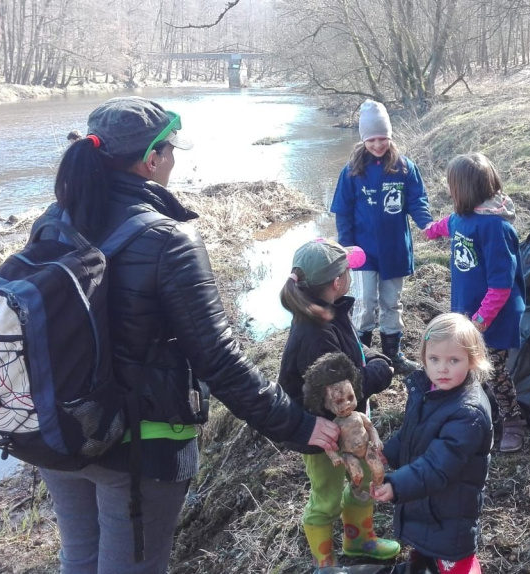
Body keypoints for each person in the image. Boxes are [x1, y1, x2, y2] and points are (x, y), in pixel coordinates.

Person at [34, 96, 340, 574]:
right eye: (171, 149)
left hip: (61, 429)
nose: (174, 159)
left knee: (79, 560)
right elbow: (219, 360)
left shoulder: (53, 222)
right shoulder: (168, 240)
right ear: (152, 159)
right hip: (142, 447)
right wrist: (298, 426)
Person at [278, 238, 401, 569]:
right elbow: (342, 392)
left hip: (351, 427)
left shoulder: (329, 310)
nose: (351, 275)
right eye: (348, 270)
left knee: (364, 481)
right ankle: (326, 564)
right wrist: (380, 371)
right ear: (336, 281)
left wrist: (372, 356)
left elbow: (352, 350)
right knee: (327, 499)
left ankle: (359, 541)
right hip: (324, 436)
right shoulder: (315, 333)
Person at [372, 313, 494, 574]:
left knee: (452, 557)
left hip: (451, 509)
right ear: (424, 357)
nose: (442, 369)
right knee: (426, 548)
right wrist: (389, 453)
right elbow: (411, 432)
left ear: (472, 360)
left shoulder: (468, 413)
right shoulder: (427, 390)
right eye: (434, 359)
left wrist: (396, 485)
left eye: (454, 360)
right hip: (427, 500)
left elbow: (438, 466)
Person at [423, 152, 528, 453]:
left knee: (493, 370)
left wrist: (481, 321)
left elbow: (501, 285)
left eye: (451, 186)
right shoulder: (463, 217)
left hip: (493, 316)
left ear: (464, 189)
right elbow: (449, 224)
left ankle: (512, 421)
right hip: (467, 309)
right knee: (468, 362)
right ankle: (475, 409)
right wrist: (432, 230)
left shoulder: (495, 228)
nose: (448, 190)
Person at [330, 99, 433, 375]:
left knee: (392, 302)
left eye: (383, 138)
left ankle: (393, 354)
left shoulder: (404, 167)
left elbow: (417, 201)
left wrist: (427, 224)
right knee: (365, 304)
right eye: (372, 139)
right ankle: (360, 355)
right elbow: (343, 212)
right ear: (363, 139)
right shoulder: (352, 172)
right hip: (363, 252)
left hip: (395, 249)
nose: (378, 145)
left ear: (390, 136)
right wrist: (346, 246)